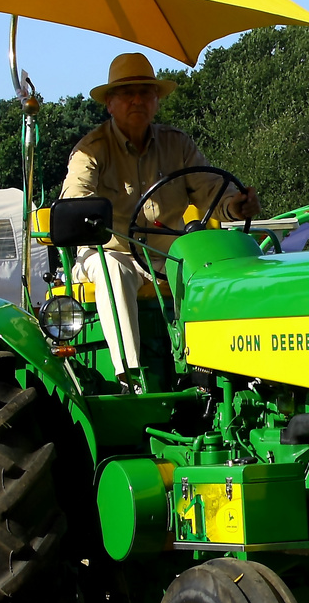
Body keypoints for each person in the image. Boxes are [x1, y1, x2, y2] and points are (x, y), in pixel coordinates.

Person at [60, 53, 260, 385]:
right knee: (112, 271)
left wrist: (236, 207)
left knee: (218, 271)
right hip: (111, 252)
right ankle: (131, 375)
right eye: (126, 93)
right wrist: (88, 215)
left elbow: (211, 191)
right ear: (109, 103)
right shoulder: (91, 150)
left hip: (167, 258)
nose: (137, 100)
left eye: (146, 92)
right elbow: (75, 196)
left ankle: (221, 371)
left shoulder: (177, 145)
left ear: (156, 101)